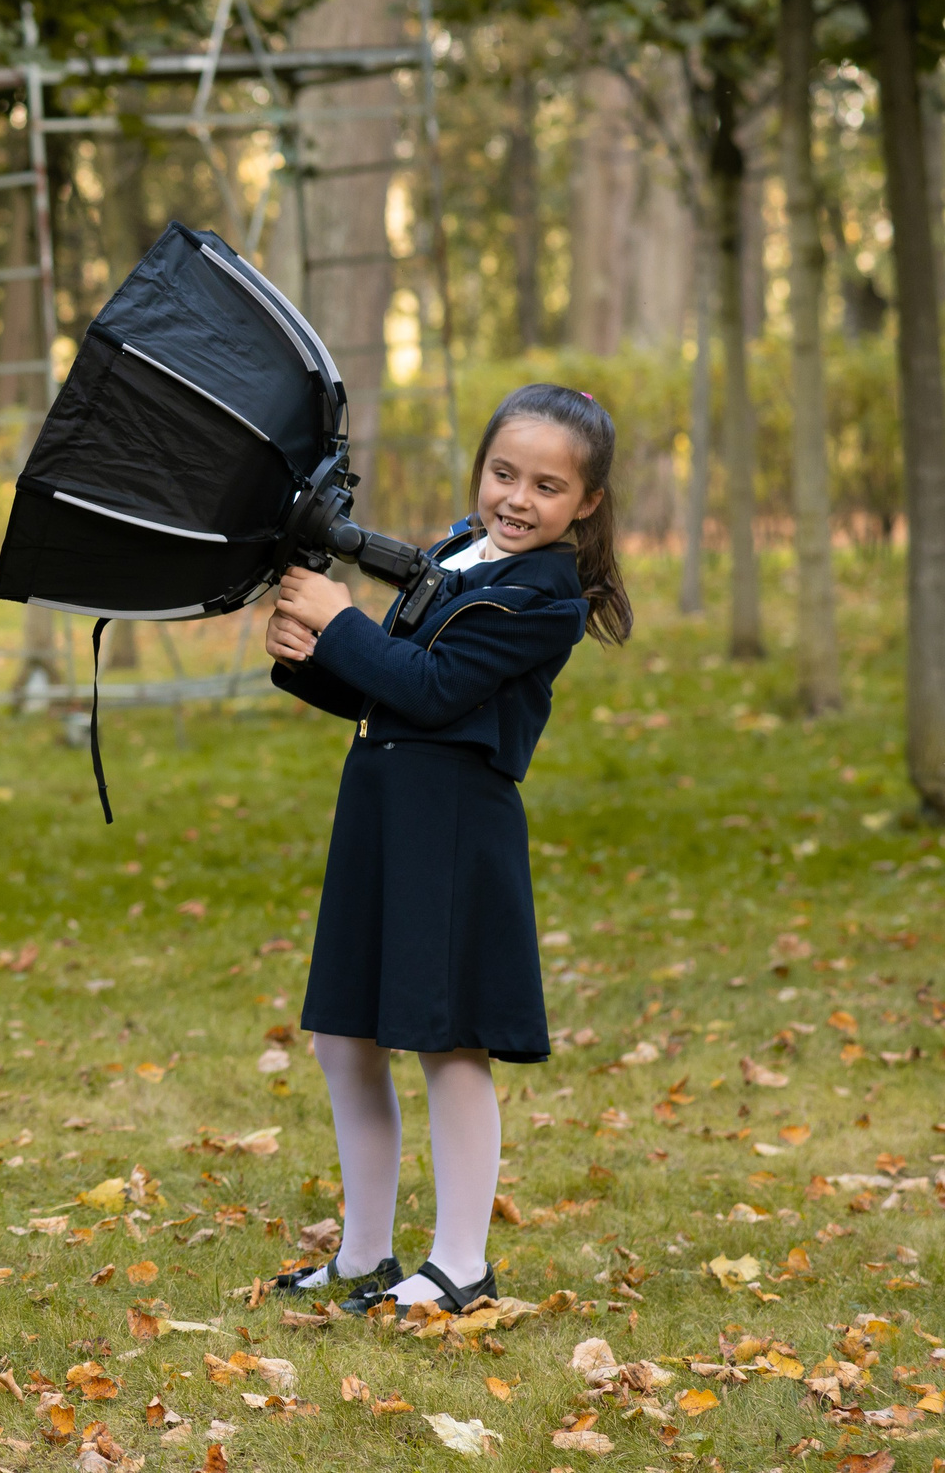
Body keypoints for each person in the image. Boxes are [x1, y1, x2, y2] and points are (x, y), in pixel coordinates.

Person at [260, 384, 632, 1313]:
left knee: (449, 1043)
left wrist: (342, 619)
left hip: (455, 828)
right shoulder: (451, 553)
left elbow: (432, 689)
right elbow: (383, 690)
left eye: (547, 485)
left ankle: (461, 1261)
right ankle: (364, 1253)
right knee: (343, 1039)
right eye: (503, 472)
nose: (516, 497)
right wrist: (306, 651)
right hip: (382, 814)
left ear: (585, 503)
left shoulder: (546, 597)